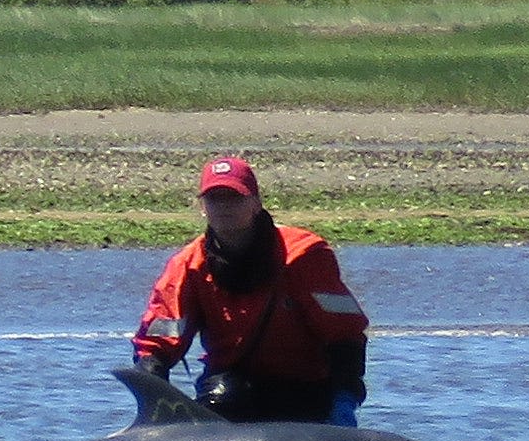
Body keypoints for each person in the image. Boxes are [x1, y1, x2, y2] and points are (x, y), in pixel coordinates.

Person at [132, 153, 370, 424]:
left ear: (256, 203)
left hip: (306, 389)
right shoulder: (188, 265)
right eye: (214, 198)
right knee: (221, 399)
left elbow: (345, 335)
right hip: (230, 388)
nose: (224, 207)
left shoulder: (303, 255)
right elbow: (156, 347)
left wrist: (345, 400)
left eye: (234, 197)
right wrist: (154, 405)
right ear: (202, 208)